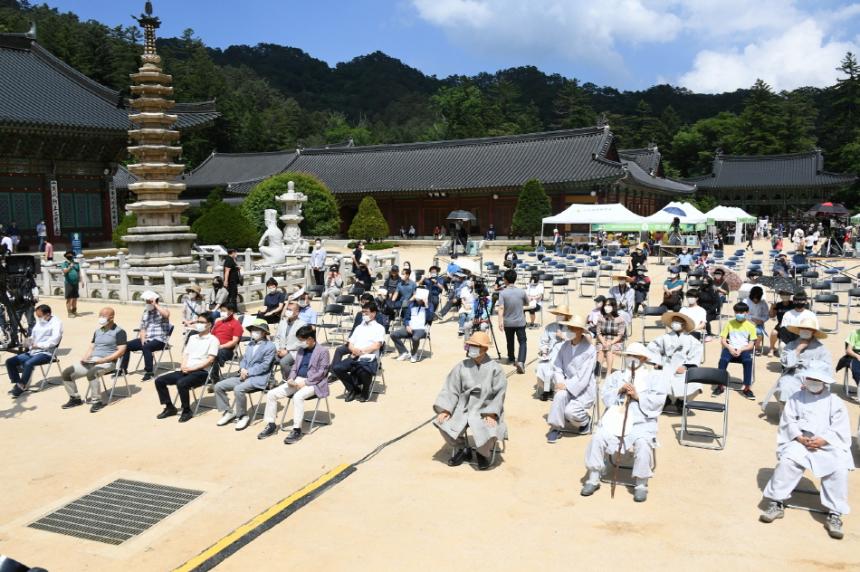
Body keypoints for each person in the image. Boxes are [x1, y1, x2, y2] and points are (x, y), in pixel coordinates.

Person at [759, 365, 852, 539]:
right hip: (800, 441)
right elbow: (788, 421)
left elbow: (841, 429)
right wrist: (799, 437)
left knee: (839, 468)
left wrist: (823, 440)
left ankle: (835, 514)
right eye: (811, 380)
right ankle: (776, 502)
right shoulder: (796, 398)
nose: (814, 383)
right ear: (805, 380)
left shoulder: (835, 401)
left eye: (818, 381)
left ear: (824, 383)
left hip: (827, 444)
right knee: (787, 461)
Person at [580, 343, 670, 502]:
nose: (631, 359)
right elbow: (606, 397)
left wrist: (638, 396)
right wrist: (618, 390)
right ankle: (593, 477)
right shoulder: (616, 376)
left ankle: (641, 483)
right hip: (616, 417)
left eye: (634, 356)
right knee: (598, 437)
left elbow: (658, 401)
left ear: (643, 358)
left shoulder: (654, 377)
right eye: (628, 356)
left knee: (642, 443)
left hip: (641, 421)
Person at [433, 331, 507, 470]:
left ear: (484, 349)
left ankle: (482, 453)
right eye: (470, 345)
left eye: (475, 346)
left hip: (485, 409)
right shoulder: (461, 366)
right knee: (442, 423)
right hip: (463, 407)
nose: (471, 349)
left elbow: (499, 394)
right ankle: (462, 449)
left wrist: (491, 413)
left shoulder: (496, 369)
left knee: (492, 428)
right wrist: (446, 409)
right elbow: (451, 388)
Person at [258, 325, 331, 444]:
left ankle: (297, 429)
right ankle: (271, 424)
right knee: (271, 394)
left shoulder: (323, 351)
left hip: (314, 383)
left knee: (297, 397)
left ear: (310, 339)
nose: (299, 343)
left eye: (301, 340)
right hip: (297, 380)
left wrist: (306, 382)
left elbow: (322, 372)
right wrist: (291, 378)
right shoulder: (301, 351)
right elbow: (295, 367)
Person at [154, 312, 219, 422]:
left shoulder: (213, 340)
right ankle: (169, 407)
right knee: (159, 380)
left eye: (202, 322)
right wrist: (183, 365)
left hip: (201, 372)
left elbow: (210, 360)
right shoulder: (193, 337)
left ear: (209, 325)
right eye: (198, 321)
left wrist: (192, 369)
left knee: (182, 383)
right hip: (186, 370)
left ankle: (186, 410)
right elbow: (186, 354)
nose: (198, 324)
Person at [214, 319, 277, 431]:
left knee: (238, 389)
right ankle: (228, 412)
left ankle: (243, 415)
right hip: (244, 375)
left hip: (259, 378)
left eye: (257, 330)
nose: (253, 332)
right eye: (252, 330)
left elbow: (265, 366)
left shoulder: (270, 346)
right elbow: (244, 359)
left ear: (264, 332)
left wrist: (249, 372)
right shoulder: (251, 344)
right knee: (218, 386)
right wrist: (242, 368)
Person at [60, 308, 127, 412]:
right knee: (67, 373)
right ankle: (75, 398)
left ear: (112, 317)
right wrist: (85, 358)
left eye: (104, 316)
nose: (101, 318)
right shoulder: (98, 331)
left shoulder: (119, 332)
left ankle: (97, 401)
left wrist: (103, 360)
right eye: (100, 315)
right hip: (92, 361)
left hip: (108, 362)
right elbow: (91, 347)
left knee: (92, 373)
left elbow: (121, 351)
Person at [546, 315, 597, 442]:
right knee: (559, 395)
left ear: (580, 331)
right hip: (566, 384)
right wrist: (560, 382)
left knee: (570, 412)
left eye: (572, 328)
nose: (569, 331)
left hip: (584, 388)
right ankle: (555, 427)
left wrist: (567, 385)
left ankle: (585, 421)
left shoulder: (590, 350)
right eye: (569, 328)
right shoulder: (564, 346)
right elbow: (557, 366)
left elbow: (583, 376)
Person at [766, 318, 832, 406]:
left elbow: (827, 369)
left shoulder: (822, 349)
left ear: (813, 332)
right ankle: (787, 413)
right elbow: (786, 363)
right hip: (793, 376)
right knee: (784, 387)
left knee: (816, 390)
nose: (805, 331)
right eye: (803, 329)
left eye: (808, 329)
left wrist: (812, 380)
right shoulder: (791, 345)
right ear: (799, 330)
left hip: (814, 378)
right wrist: (798, 349)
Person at [647, 312, 703, 413]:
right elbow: (652, 347)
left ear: (684, 324)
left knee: (696, 383)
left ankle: (681, 402)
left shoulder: (691, 340)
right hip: (666, 364)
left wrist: (686, 366)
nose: (675, 323)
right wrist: (657, 361)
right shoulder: (665, 337)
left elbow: (696, 354)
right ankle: (665, 401)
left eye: (678, 321)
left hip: (682, 366)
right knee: (654, 376)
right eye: (674, 321)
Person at [331, 302, 385, 402]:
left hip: (369, 357)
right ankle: (353, 389)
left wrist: (362, 351)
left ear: (373, 313)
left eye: (366, 312)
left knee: (363, 370)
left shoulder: (379, 328)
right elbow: (350, 343)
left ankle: (365, 391)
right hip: (355, 355)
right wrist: (353, 350)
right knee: (337, 368)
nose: (364, 314)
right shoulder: (359, 327)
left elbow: (377, 345)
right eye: (363, 312)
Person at [6, 304, 63, 397]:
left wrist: (39, 345)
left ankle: (22, 385)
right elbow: (34, 335)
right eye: (37, 316)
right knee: (10, 362)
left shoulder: (57, 323)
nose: (39, 318)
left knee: (28, 363)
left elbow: (54, 340)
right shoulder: (40, 321)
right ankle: (18, 383)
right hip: (33, 351)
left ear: (47, 314)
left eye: (40, 316)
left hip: (46, 353)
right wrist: (28, 341)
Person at [118, 291, 169, 381]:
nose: (147, 303)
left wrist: (155, 305)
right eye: (146, 301)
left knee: (146, 347)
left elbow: (166, 315)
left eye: (149, 301)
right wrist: (143, 340)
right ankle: (123, 369)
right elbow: (142, 329)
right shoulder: (145, 312)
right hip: (147, 338)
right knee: (125, 345)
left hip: (160, 340)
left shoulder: (162, 309)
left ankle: (149, 372)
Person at [715, 302, 757, 399]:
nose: (739, 314)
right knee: (722, 360)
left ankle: (747, 388)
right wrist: (730, 348)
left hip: (744, 349)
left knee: (748, 361)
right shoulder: (729, 323)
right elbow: (723, 340)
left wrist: (741, 349)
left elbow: (751, 345)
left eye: (741, 312)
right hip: (730, 348)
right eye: (737, 312)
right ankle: (720, 386)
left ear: (747, 312)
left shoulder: (751, 326)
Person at [535, 304, 575, 401]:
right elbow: (544, 341)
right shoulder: (550, 327)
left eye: (561, 314)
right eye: (558, 314)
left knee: (558, 370)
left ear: (566, 316)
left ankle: (559, 391)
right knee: (541, 368)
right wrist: (544, 350)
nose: (559, 316)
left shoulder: (572, 327)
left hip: (566, 355)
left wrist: (564, 336)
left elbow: (575, 342)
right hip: (550, 355)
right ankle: (546, 390)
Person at [496, 269, 528, 374]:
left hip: (508, 322)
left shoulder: (503, 293)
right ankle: (521, 361)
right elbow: (526, 303)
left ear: (505, 280)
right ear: (515, 279)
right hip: (520, 322)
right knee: (522, 342)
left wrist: (500, 321)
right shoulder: (522, 291)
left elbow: (501, 308)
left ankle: (511, 358)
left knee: (510, 341)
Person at [391, 291, 432, 363]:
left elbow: (430, 318)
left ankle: (414, 353)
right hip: (410, 327)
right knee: (393, 334)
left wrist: (426, 306)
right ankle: (404, 352)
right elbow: (406, 318)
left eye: (420, 299)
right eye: (417, 299)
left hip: (422, 329)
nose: (418, 300)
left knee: (415, 338)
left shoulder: (430, 305)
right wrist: (407, 325)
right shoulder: (411, 305)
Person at [210, 302, 243, 379]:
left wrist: (221, 346)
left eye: (224, 311)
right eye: (221, 311)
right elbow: (211, 336)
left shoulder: (236, 324)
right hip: (214, 346)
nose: (221, 313)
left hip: (227, 350)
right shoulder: (218, 322)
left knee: (214, 354)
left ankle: (214, 379)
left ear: (231, 312)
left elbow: (234, 341)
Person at [274, 301, 307, 377]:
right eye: (287, 309)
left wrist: (287, 350)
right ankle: (270, 380)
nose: (288, 312)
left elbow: (302, 342)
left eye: (290, 310)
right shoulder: (283, 322)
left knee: (283, 362)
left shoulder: (302, 324)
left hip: (294, 351)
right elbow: (277, 337)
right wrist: (278, 349)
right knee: (268, 357)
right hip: (280, 350)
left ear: (297, 312)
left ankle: (288, 379)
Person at [595, 298, 626, 375]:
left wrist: (611, 342)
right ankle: (597, 373)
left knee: (609, 350)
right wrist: (603, 341)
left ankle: (608, 373)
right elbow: (598, 333)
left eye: (608, 305)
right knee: (601, 351)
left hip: (616, 341)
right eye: (605, 305)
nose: (606, 307)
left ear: (613, 306)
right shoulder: (601, 318)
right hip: (602, 340)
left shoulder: (620, 319)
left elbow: (620, 335)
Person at [744, 286, 770, 355]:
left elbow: (766, 315)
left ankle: (757, 347)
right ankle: (747, 346)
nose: (756, 301)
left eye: (757, 299)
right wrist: (751, 318)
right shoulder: (745, 301)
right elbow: (742, 313)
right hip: (746, 322)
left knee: (759, 333)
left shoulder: (763, 303)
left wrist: (761, 320)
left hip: (758, 324)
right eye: (754, 299)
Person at [769, 289, 795, 355]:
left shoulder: (793, 304)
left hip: (791, 325)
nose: (785, 296)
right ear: (780, 295)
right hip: (780, 324)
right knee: (773, 333)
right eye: (783, 294)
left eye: (787, 294)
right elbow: (772, 316)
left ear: (790, 296)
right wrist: (772, 308)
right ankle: (772, 348)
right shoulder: (778, 305)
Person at [60, 251, 80, 318]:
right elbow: (65, 271)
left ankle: (74, 311)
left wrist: (81, 280)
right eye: (68, 255)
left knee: (75, 298)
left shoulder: (76, 263)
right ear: (66, 256)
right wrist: (70, 267)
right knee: (69, 298)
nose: (70, 256)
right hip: (68, 283)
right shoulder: (64, 264)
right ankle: (69, 312)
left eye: (71, 255)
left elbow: (78, 272)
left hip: (76, 283)